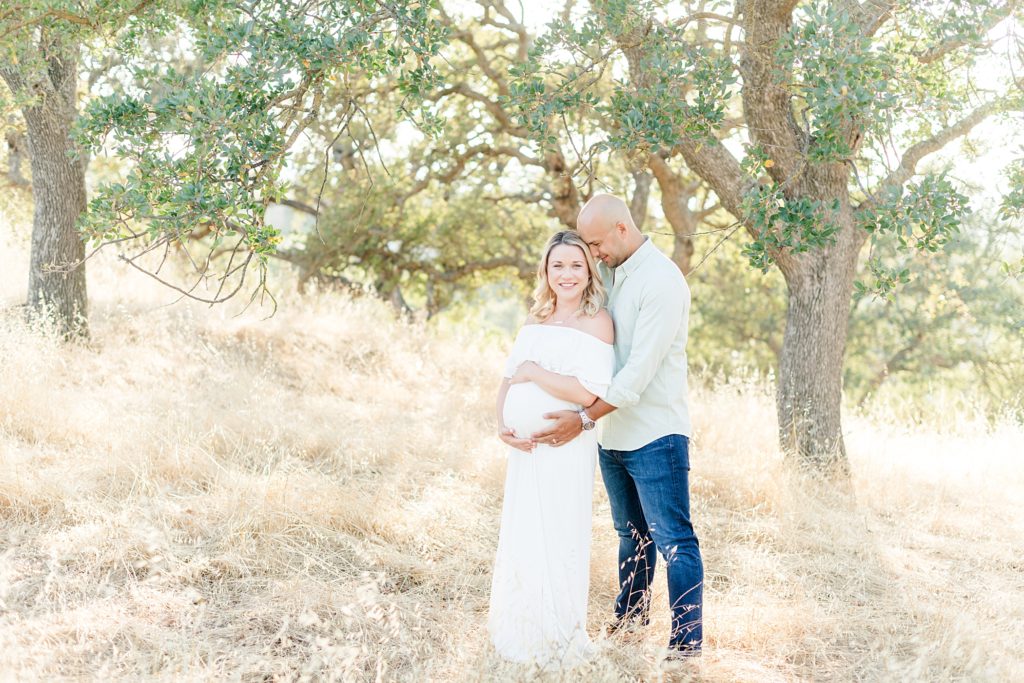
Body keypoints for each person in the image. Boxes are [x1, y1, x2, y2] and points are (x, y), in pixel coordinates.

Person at [533, 194, 704, 657]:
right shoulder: (611, 274)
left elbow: (636, 375)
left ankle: (686, 648)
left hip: (656, 435)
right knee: (631, 537)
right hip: (612, 434)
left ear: (622, 230)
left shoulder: (662, 282)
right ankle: (629, 625)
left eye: (595, 243)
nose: (593, 254)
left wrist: (584, 418)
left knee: (674, 542)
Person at [488, 230, 614, 669]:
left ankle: (558, 635)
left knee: (559, 532)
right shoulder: (535, 319)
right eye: (557, 265)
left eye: (576, 265)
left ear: (588, 271)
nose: (567, 274)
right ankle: (521, 628)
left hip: (565, 447)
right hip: (524, 451)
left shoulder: (598, 320)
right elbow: (508, 378)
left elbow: (587, 392)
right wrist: (502, 424)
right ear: (546, 270)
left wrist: (537, 372)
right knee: (525, 531)